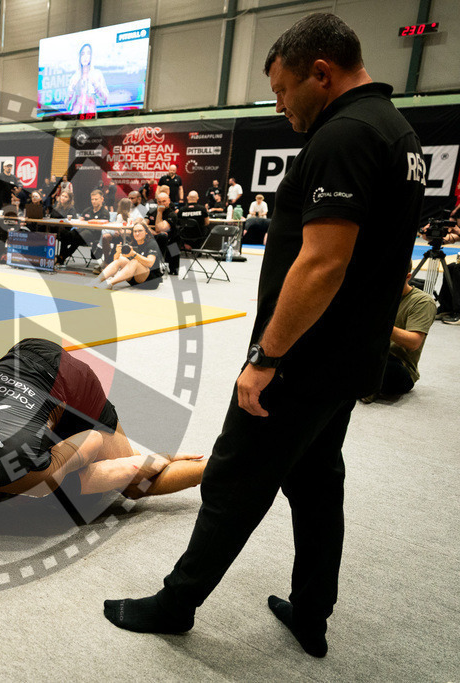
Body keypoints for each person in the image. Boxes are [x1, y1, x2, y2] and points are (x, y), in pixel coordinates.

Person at [102, 13, 427, 659]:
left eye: (282, 90)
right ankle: (312, 610)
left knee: (233, 478)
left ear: (321, 73)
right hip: (351, 355)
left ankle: (176, 602)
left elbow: (322, 262)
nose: (279, 106)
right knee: (316, 482)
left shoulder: (346, 135)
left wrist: (266, 356)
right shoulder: (397, 132)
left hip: (305, 358)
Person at [0, 338, 208, 560]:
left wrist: (21, 477)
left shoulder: (30, 479)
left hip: (71, 382)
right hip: (20, 354)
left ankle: (215, 468)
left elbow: (92, 439)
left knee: (136, 486)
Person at [360, 270, 436, 401]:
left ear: (407, 277)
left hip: (399, 364)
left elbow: (414, 343)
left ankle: (361, 384)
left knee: (387, 371)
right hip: (371, 353)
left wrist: (382, 325)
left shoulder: (422, 301)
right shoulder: (376, 295)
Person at [92, 221, 162, 290]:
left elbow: (150, 263)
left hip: (150, 281)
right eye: (135, 231)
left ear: (146, 232)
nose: (137, 233)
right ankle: (96, 281)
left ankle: (109, 283)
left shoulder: (152, 243)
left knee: (135, 261)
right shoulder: (132, 244)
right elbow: (117, 261)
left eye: (140, 231)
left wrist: (134, 254)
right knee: (121, 259)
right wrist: (118, 252)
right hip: (133, 280)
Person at [65, 43, 109, 115]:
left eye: (88, 53)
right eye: (83, 54)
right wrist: (71, 89)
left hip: (92, 117)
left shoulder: (97, 74)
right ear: (79, 56)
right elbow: (67, 105)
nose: (85, 57)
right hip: (75, 118)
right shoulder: (74, 77)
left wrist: (96, 85)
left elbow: (105, 100)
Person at [146, 191, 181, 275]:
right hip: (154, 238)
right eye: (159, 202)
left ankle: (169, 267)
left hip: (171, 239)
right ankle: (155, 267)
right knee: (160, 236)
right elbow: (142, 224)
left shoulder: (172, 214)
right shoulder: (152, 211)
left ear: (169, 200)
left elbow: (159, 228)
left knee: (163, 236)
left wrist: (159, 212)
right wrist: (153, 232)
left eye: (164, 201)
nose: (162, 204)